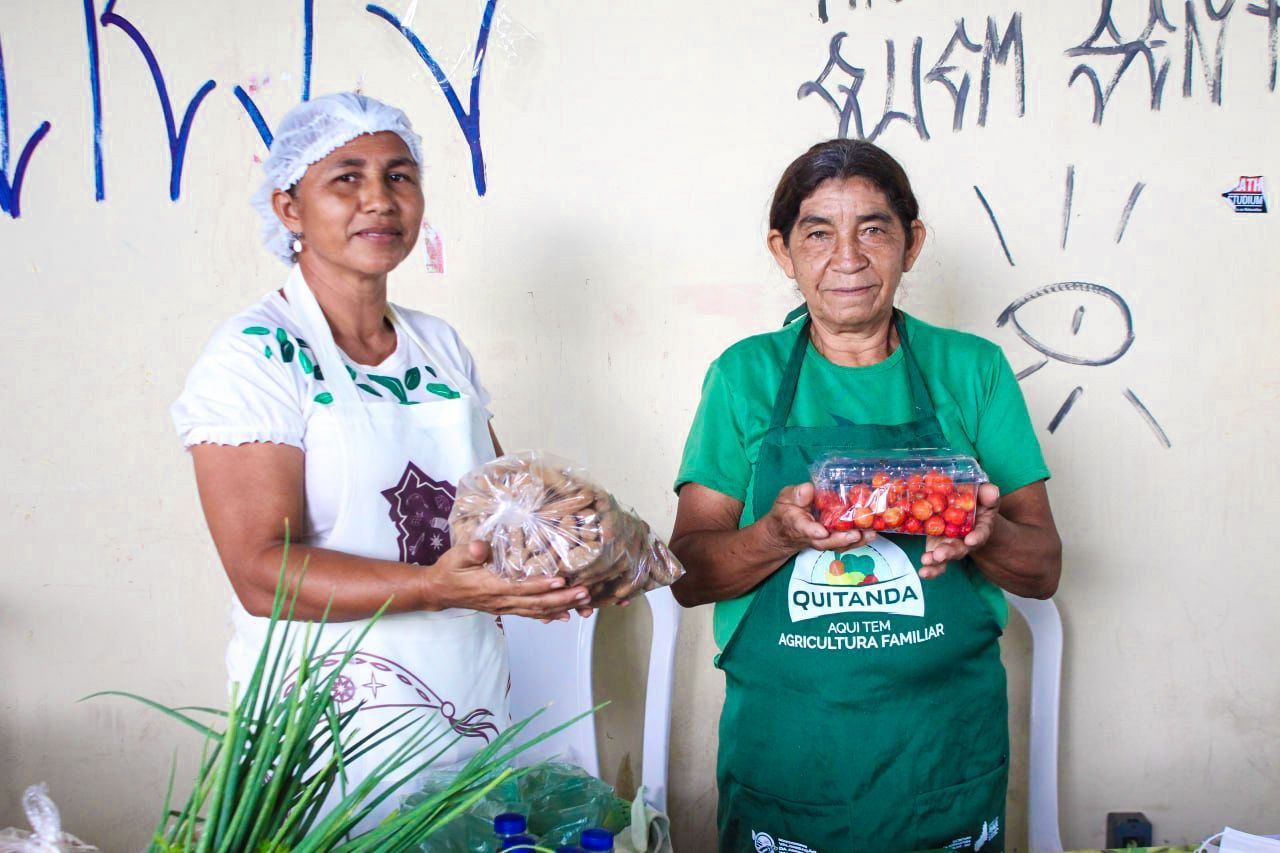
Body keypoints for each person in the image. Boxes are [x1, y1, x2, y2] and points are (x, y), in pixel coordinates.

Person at [170, 92, 591, 827]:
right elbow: (260, 572)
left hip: (464, 709)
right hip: (326, 740)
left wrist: (572, 555)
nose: (380, 200)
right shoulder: (256, 355)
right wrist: (437, 585)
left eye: (400, 176)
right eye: (346, 177)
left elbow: (499, 509)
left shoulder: (438, 345)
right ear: (289, 206)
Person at [669, 139, 1062, 852]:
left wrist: (986, 532)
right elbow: (689, 574)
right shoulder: (743, 376)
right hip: (789, 751)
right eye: (818, 232)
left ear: (911, 244)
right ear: (782, 251)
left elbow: (1045, 566)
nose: (846, 257)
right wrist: (777, 535)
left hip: (942, 747)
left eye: (873, 229)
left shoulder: (974, 370)